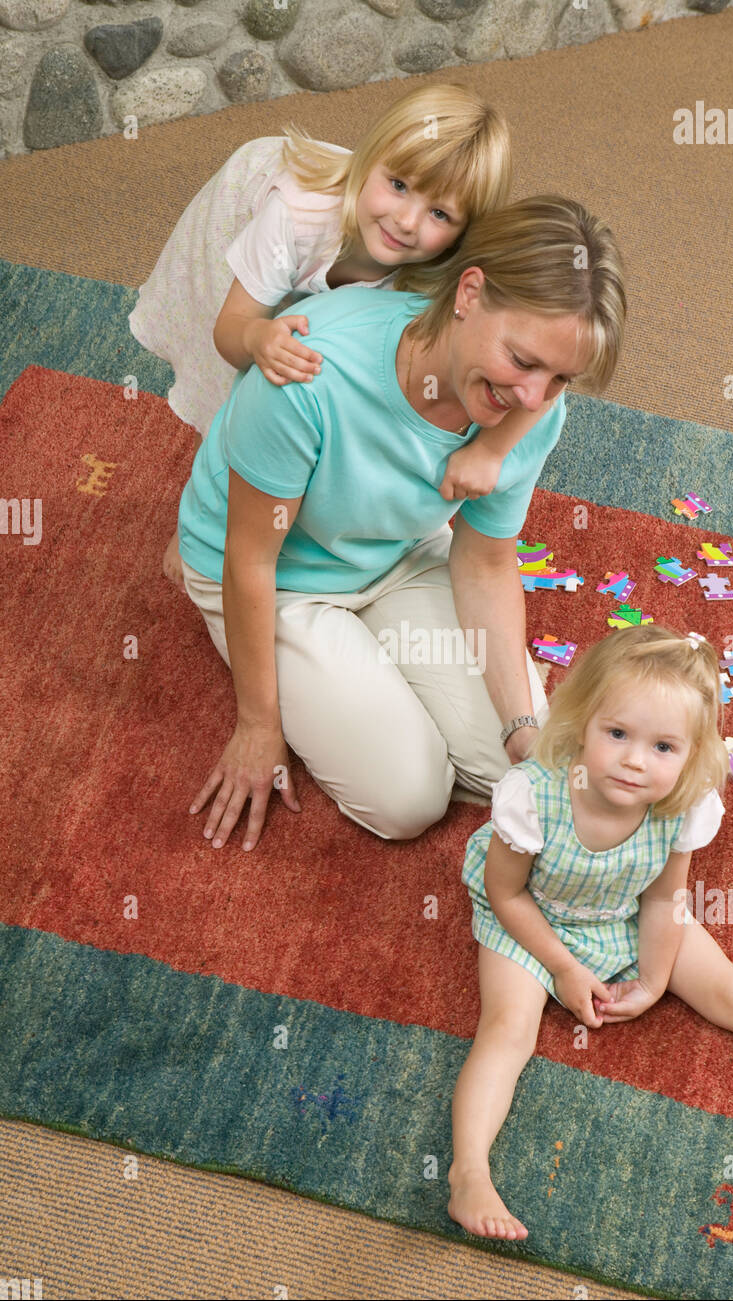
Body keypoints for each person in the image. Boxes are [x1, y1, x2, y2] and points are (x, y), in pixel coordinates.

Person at [176, 194, 627, 855]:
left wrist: (523, 727)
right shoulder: (310, 371)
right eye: (522, 361)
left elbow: (484, 562)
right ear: (468, 292)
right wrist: (257, 725)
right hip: (279, 582)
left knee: (528, 766)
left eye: (559, 379)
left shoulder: (531, 412)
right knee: (407, 800)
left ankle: (388, 675)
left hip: (399, 553)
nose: (532, 397)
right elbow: (250, 560)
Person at [450, 626, 733, 1240]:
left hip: (628, 907)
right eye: (617, 734)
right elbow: (507, 894)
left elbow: (667, 897)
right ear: (582, 722)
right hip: (533, 919)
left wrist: (653, 978)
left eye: (664, 747)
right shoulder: (533, 797)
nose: (635, 760)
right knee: (508, 1030)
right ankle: (468, 1174)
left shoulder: (683, 804)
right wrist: (562, 967)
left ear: (692, 756)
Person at [128, 84, 550, 585]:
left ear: (464, 232)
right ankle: (201, 522)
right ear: (371, 158)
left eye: (440, 214)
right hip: (250, 218)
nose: (407, 220)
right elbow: (229, 331)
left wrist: (491, 451)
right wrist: (258, 338)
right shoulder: (295, 215)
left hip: (341, 259)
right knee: (240, 381)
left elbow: (552, 362)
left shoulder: (452, 270)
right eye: (397, 184)